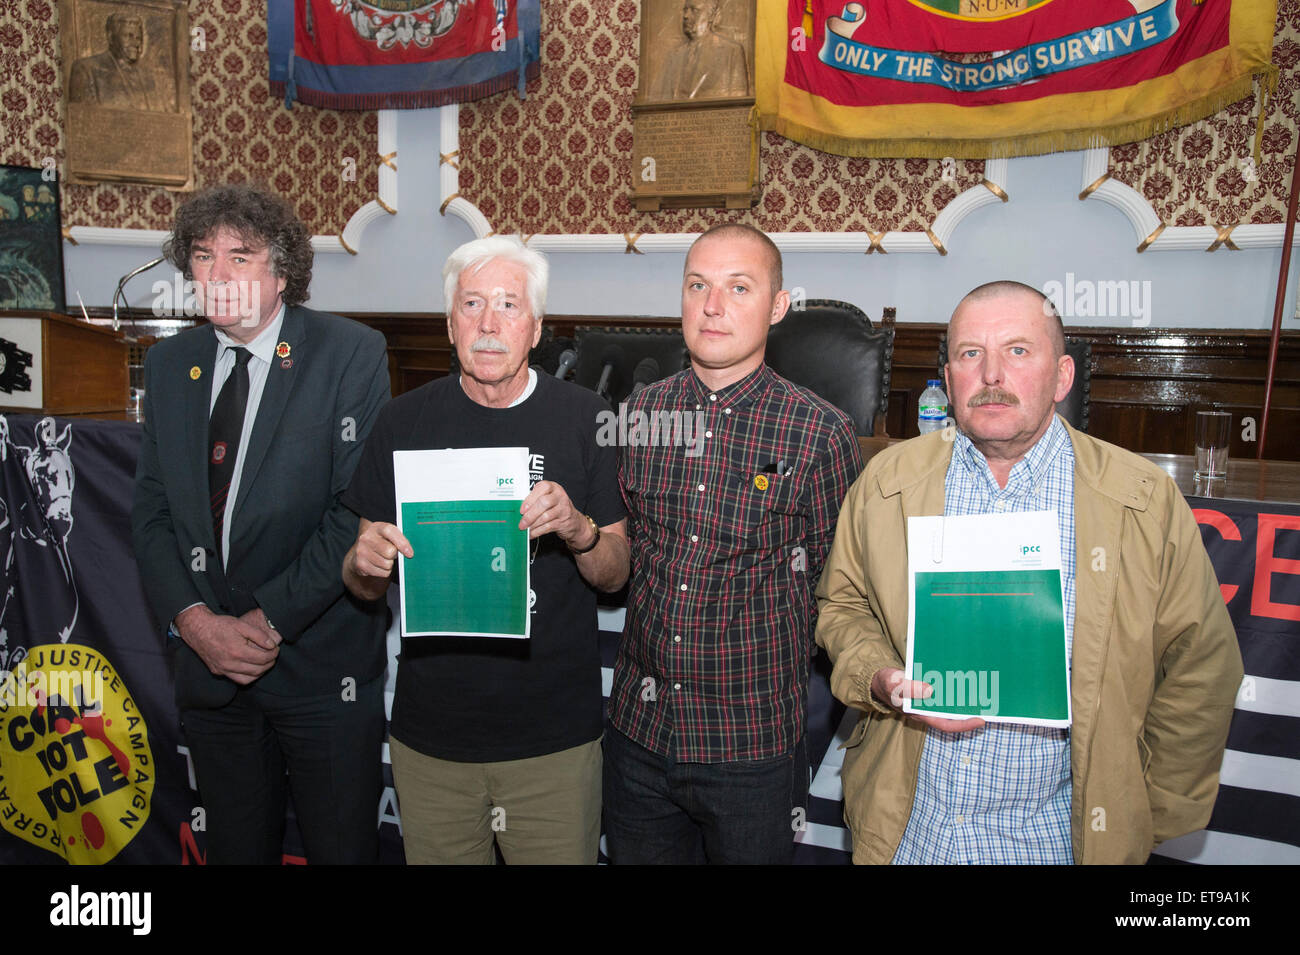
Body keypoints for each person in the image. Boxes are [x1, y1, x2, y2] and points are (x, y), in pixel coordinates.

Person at [816, 280, 1243, 864]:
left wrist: (1142, 813)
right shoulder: (887, 483)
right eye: (971, 354)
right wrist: (881, 678)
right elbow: (843, 608)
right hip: (910, 833)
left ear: (1062, 377)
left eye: (1018, 351)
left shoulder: (1142, 501)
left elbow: (1201, 668)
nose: (991, 374)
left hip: (1057, 844)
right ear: (949, 374)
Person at [341, 236, 629, 865]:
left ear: (536, 328)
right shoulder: (401, 421)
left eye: (509, 305)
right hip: (432, 742)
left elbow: (616, 574)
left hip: (553, 743)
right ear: (449, 325)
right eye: (472, 304)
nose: (490, 323)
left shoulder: (588, 418)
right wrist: (362, 565)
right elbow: (363, 578)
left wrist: (580, 531)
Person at [131, 184, 391, 864]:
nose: (218, 274)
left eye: (239, 257)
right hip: (211, 672)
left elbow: (354, 511)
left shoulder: (349, 353)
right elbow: (152, 511)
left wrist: (267, 622)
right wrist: (196, 623)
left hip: (320, 670)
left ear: (281, 274)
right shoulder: (168, 365)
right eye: (202, 256)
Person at [605, 223, 863, 864]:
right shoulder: (639, 415)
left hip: (750, 749)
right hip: (639, 736)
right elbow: (623, 552)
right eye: (698, 286)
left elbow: (838, 592)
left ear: (777, 307)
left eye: (737, 288)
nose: (712, 306)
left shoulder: (820, 433)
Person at [68, 12, 170, 112]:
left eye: (138, 38)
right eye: (128, 36)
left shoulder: (151, 79)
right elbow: (81, 120)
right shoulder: (86, 69)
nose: (136, 43)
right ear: (111, 37)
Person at [654, 0, 749, 100]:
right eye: (685, 10)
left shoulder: (731, 52)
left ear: (711, 16)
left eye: (694, 10)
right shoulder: (674, 56)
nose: (686, 16)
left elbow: (739, 102)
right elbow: (661, 99)